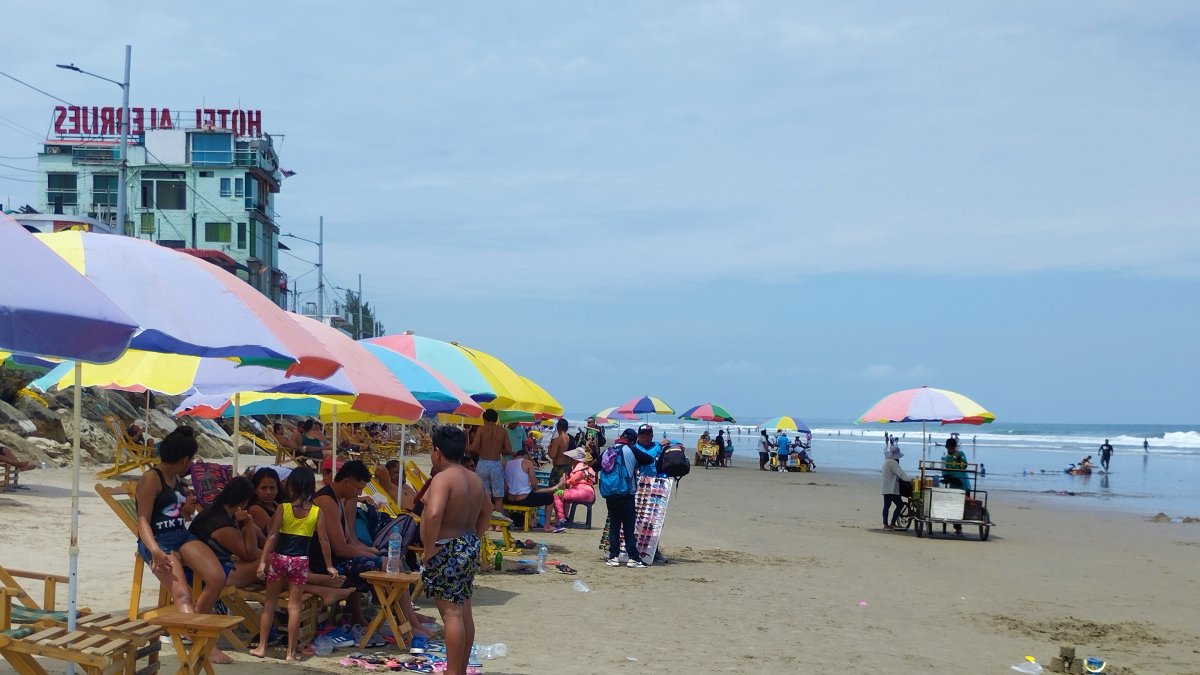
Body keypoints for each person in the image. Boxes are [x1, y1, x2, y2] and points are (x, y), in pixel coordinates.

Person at [134, 427, 231, 664]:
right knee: (182, 594)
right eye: (190, 460)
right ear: (183, 460)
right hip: (158, 542)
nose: (191, 465)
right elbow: (143, 519)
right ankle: (201, 643)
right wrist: (156, 551)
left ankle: (194, 624)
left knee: (217, 577)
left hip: (181, 535)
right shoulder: (151, 479)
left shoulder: (176, 478)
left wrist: (186, 509)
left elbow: (177, 512)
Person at [420, 425, 491, 675]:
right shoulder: (474, 479)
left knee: (451, 614)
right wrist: (474, 537)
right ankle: (459, 670)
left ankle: (452, 671)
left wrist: (429, 550)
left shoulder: (443, 478)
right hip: (467, 544)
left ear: (437, 452)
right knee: (463, 611)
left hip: (446, 547)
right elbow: (487, 511)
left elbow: (434, 512)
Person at [251, 467, 342, 661]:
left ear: (290, 486)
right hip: (300, 561)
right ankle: (290, 652)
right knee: (294, 607)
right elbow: (324, 540)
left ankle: (261, 647)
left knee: (269, 604)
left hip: (279, 559)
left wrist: (262, 562)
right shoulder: (317, 512)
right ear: (311, 487)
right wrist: (329, 566)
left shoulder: (282, 508)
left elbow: (273, 535)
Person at [603, 428, 655, 568]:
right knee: (628, 527)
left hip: (610, 493)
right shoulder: (631, 449)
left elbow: (597, 466)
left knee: (614, 526)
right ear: (632, 440)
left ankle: (613, 557)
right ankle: (633, 558)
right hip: (626, 494)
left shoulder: (609, 450)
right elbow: (649, 459)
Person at [466, 409, 512, 520]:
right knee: (498, 497)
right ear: (496, 419)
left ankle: (486, 522)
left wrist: (466, 442)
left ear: (484, 419)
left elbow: (473, 448)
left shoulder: (481, 430)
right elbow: (509, 450)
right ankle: (498, 525)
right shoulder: (502, 431)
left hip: (483, 463)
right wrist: (497, 448)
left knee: (485, 495)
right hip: (496, 463)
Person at [502, 446, 562, 532]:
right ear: (525, 456)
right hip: (523, 498)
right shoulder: (527, 463)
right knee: (549, 498)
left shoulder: (507, 463)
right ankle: (547, 526)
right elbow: (535, 485)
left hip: (509, 498)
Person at [550, 446, 596, 530]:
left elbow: (572, 480)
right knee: (565, 495)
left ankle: (561, 518)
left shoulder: (579, 467)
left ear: (575, 459)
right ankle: (564, 517)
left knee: (557, 494)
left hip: (580, 492)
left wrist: (565, 480)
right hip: (590, 493)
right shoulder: (589, 468)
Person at [940, 437, 971, 537]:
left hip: (964, 484)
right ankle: (958, 528)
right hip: (954, 485)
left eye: (953, 447)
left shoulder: (961, 454)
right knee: (955, 507)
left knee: (964, 507)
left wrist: (958, 458)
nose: (952, 449)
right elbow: (944, 471)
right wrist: (946, 477)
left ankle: (959, 527)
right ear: (947, 448)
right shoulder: (945, 459)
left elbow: (964, 466)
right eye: (950, 447)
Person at [880, 442, 913, 530]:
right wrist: (910, 480)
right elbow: (900, 473)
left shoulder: (886, 461)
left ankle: (885, 524)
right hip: (891, 488)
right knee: (900, 505)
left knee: (886, 505)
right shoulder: (893, 463)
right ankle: (893, 523)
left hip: (885, 487)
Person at [248, 467, 284, 541]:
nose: (268, 492)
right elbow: (274, 532)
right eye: (263, 488)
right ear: (255, 490)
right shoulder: (255, 509)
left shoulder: (276, 504)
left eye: (272, 488)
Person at [546, 418, 572, 486]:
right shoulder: (571, 438)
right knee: (565, 488)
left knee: (553, 489)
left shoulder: (557, 440)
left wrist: (549, 449)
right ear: (567, 428)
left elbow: (552, 455)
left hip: (558, 467)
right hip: (568, 466)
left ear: (558, 427)